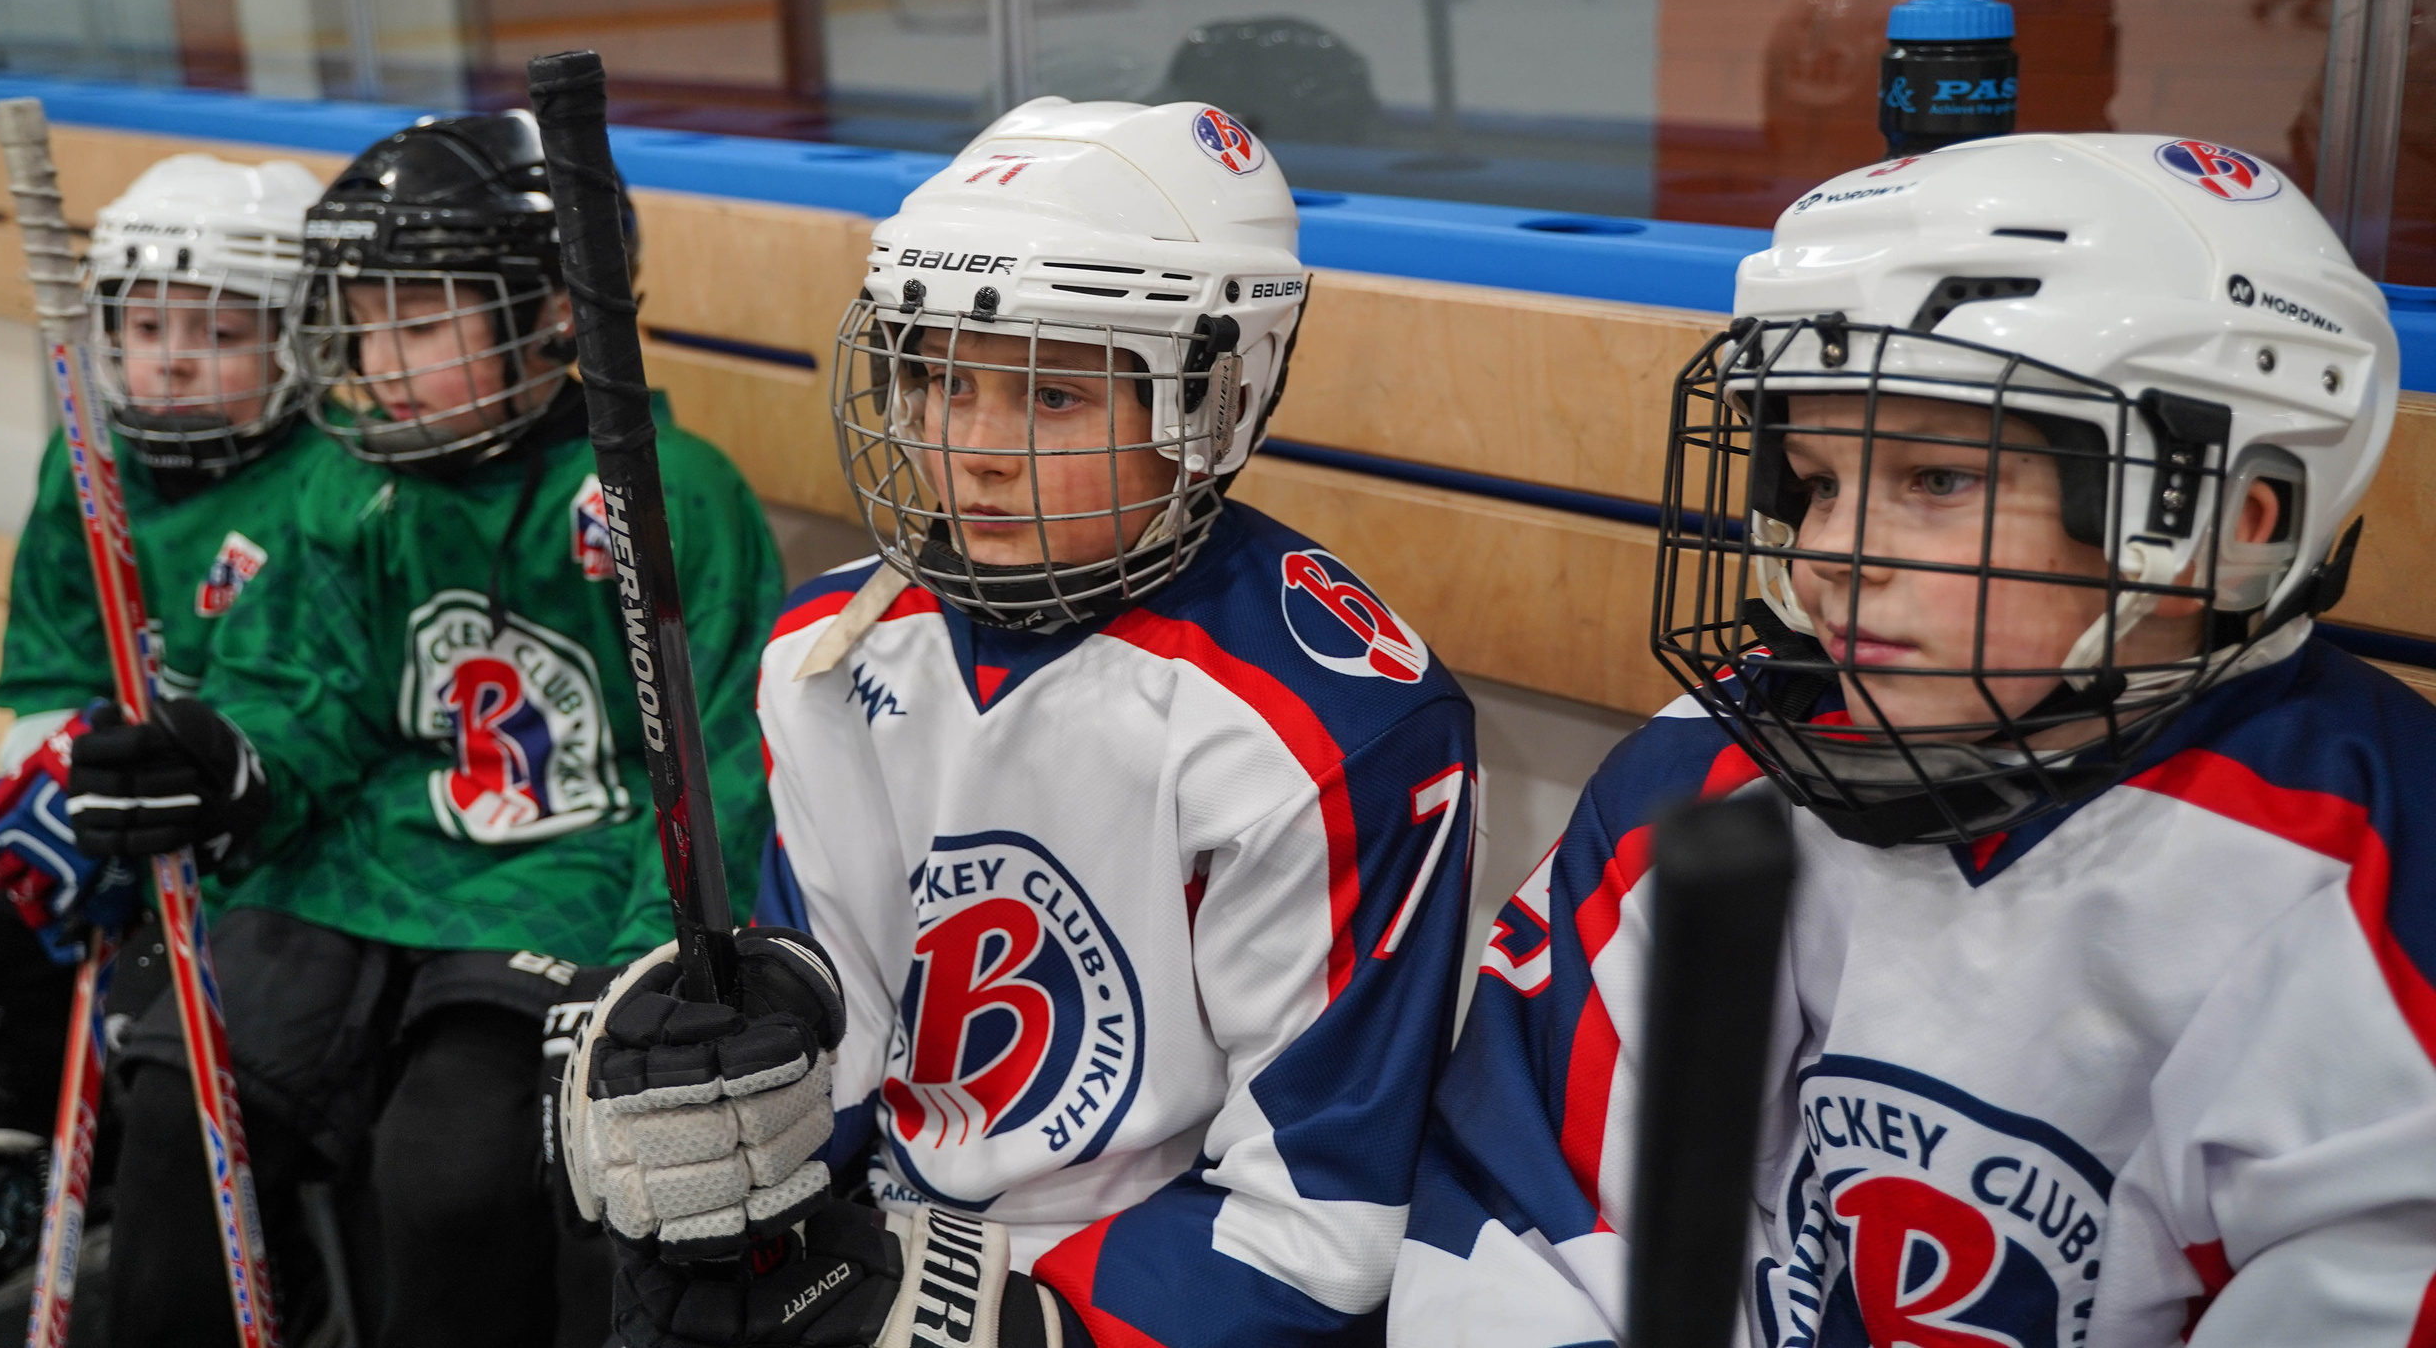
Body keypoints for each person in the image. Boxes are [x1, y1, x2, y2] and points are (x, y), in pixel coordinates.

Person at [1390, 134, 2436, 1343]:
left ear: (2228, 519)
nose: (1832, 552)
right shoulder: (1702, 772)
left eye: (1937, 479)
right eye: (1816, 480)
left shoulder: (2362, 877)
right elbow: (1520, 1217)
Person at [552, 97, 1482, 1347]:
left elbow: (1318, 1226)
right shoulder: (825, 653)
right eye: (935, 376)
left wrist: (1007, 1324)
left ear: (1207, 401)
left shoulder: (1329, 726)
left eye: (1049, 398)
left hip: (1145, 1286)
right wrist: (734, 1117)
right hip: (887, 1229)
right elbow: (844, 1049)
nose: (971, 449)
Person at [67, 111, 786, 1347]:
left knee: (449, 1170)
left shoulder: (664, 495)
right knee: (181, 1098)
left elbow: (720, 761)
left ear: (557, 314)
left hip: (556, 881)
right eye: (362, 319)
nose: (377, 360)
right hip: (354, 861)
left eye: (421, 320)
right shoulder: (354, 480)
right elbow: (303, 691)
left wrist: (646, 958)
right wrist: (224, 760)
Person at [0, 153, 329, 1326]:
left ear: (299, 339)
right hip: (123, 775)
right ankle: (46, 1154)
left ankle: (266, 1237)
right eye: (145, 325)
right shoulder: (87, 461)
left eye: (218, 332)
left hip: (263, 818)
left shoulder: (327, 486)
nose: (173, 356)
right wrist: (59, 783)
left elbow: (318, 715)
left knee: (161, 1041)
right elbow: (51, 666)